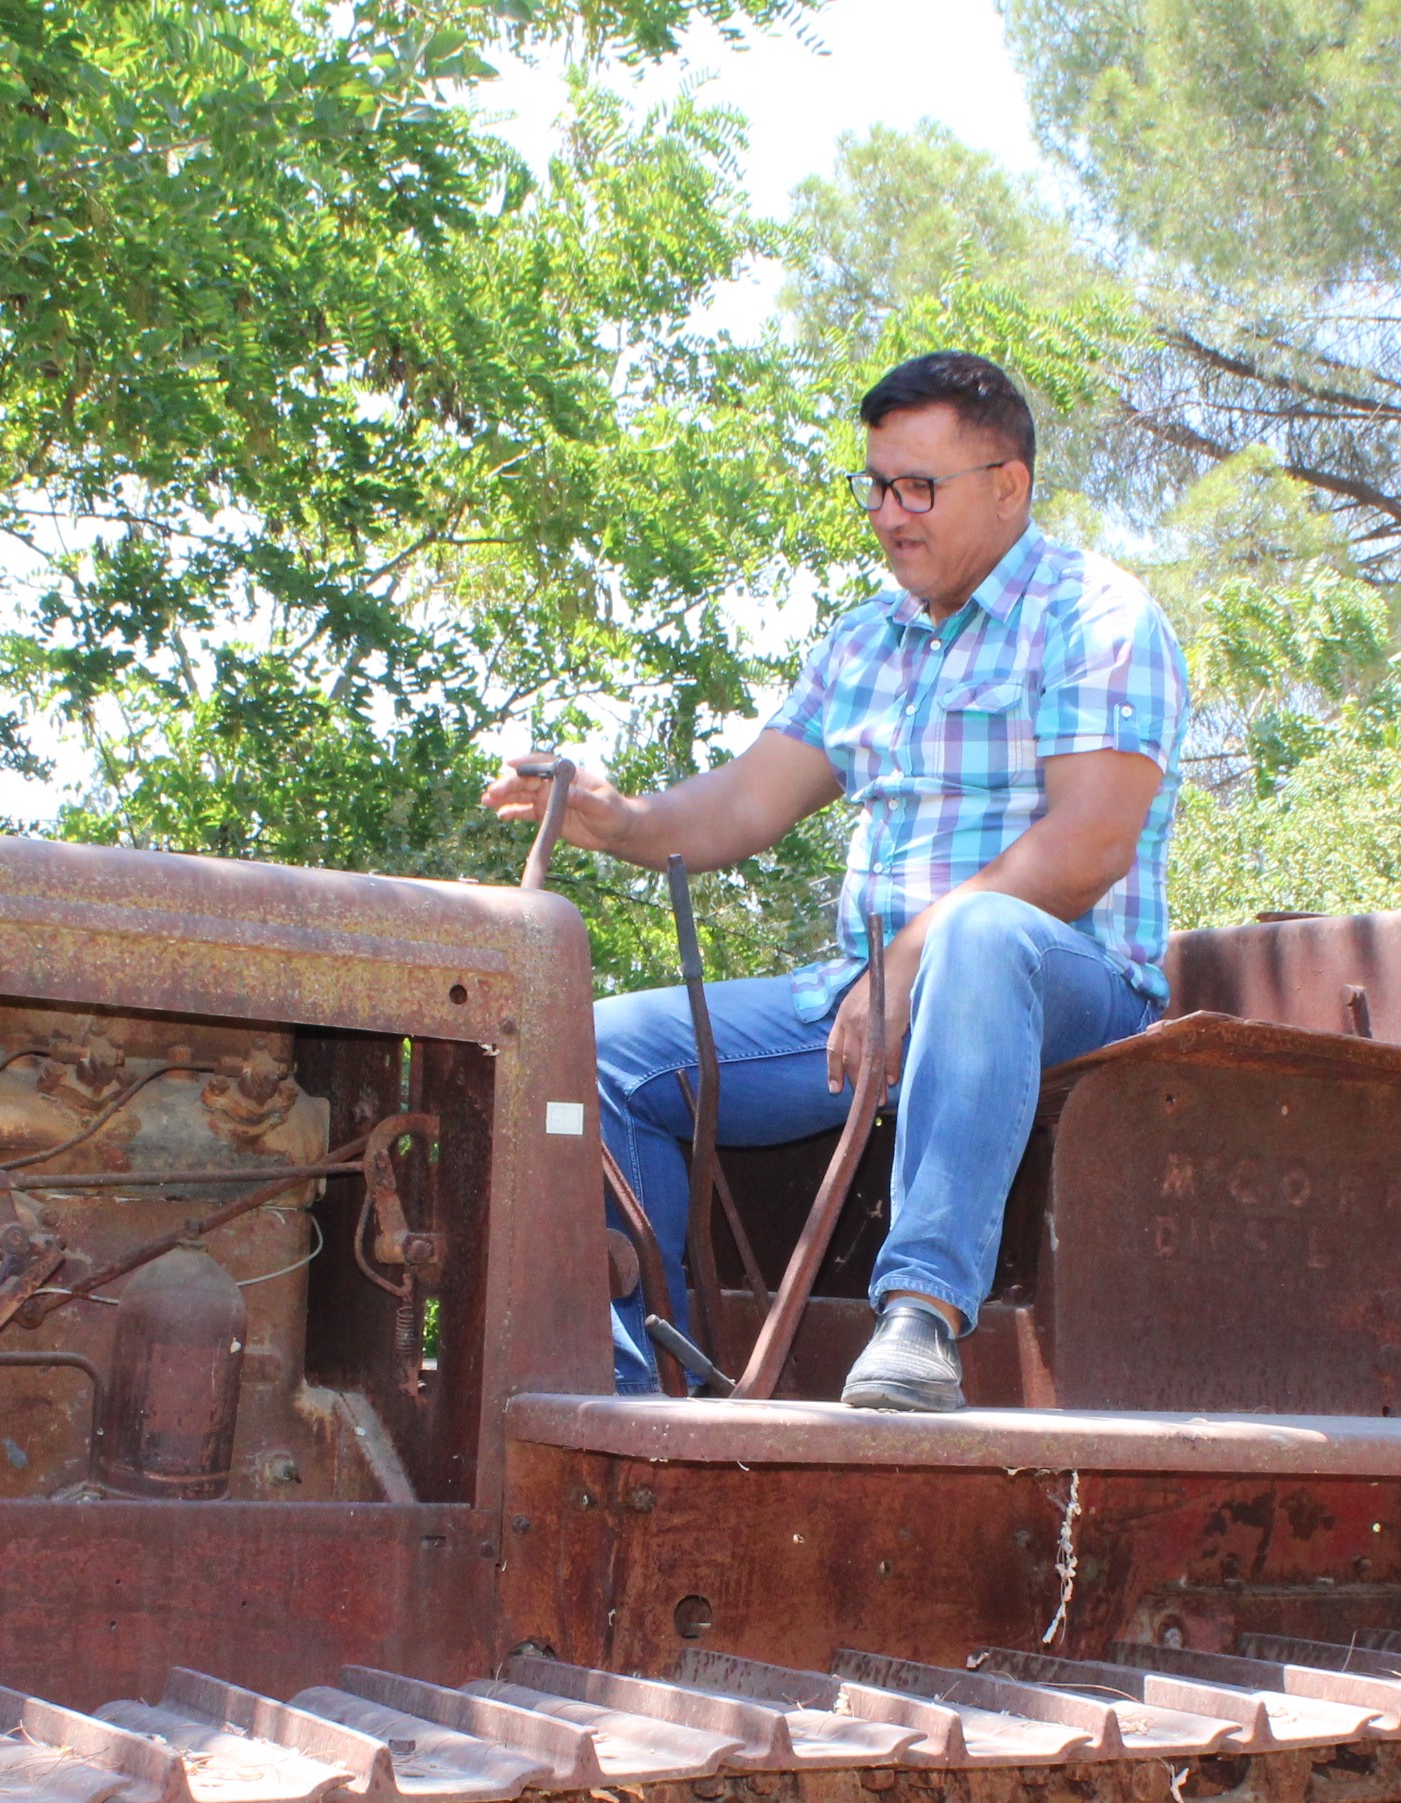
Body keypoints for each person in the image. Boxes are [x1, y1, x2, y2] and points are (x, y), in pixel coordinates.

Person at [484, 350, 1191, 1411]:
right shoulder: (866, 640)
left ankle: (920, 1316)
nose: (891, 513)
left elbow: (1088, 843)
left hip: (1070, 991)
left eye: (920, 486)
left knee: (980, 937)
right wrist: (609, 816)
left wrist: (908, 961)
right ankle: (651, 1387)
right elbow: (737, 807)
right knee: (604, 1051)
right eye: (877, 486)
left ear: (1009, 484)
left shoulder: (1098, 617)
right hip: (874, 986)